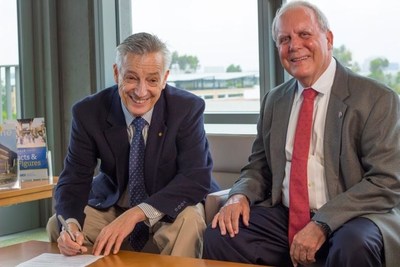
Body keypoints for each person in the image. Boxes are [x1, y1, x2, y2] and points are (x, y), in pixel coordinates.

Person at [202, 1, 400, 267]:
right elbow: (257, 168)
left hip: (353, 217)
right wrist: (240, 195)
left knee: (354, 245)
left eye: (304, 35)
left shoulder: (377, 98)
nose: (294, 46)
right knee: (223, 234)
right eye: (284, 39)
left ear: (328, 39)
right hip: (285, 215)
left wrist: (322, 223)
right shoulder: (274, 100)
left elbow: (386, 181)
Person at [47, 32, 219, 258]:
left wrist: (137, 214)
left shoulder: (187, 108)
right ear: (116, 73)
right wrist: (70, 224)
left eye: (152, 80)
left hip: (171, 207)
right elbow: (74, 177)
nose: (141, 91)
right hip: (114, 205)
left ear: (165, 78)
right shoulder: (88, 112)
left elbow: (196, 178)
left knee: (190, 222)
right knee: (57, 226)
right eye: (131, 78)